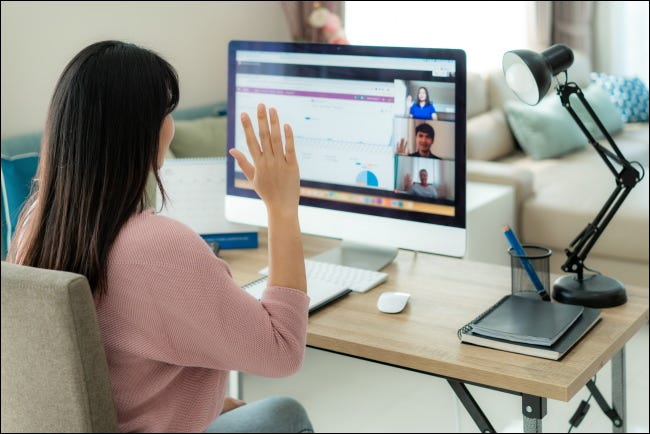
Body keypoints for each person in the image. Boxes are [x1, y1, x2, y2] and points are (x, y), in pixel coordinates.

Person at [7, 40, 313, 433]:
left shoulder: (34, 223)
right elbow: (282, 349)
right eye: (166, 111)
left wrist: (212, 403)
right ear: (143, 131)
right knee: (283, 414)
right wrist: (282, 207)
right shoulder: (158, 248)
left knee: (237, 406)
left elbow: (115, 371)